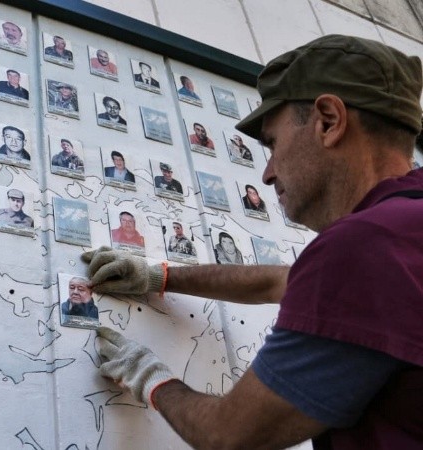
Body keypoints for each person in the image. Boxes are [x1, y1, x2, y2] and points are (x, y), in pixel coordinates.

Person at [82, 35, 423, 449]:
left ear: (329, 121)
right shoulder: (404, 229)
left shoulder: (365, 245)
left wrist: (148, 375)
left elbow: (229, 434)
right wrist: (157, 276)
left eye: (274, 145)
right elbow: (278, 281)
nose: (267, 174)